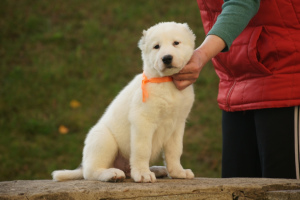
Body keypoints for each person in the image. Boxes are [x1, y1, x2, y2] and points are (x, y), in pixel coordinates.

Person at [173, 0, 300, 179]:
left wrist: (201, 55)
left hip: (285, 76)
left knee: (283, 188)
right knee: (237, 188)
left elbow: (242, 2)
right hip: (237, 77)